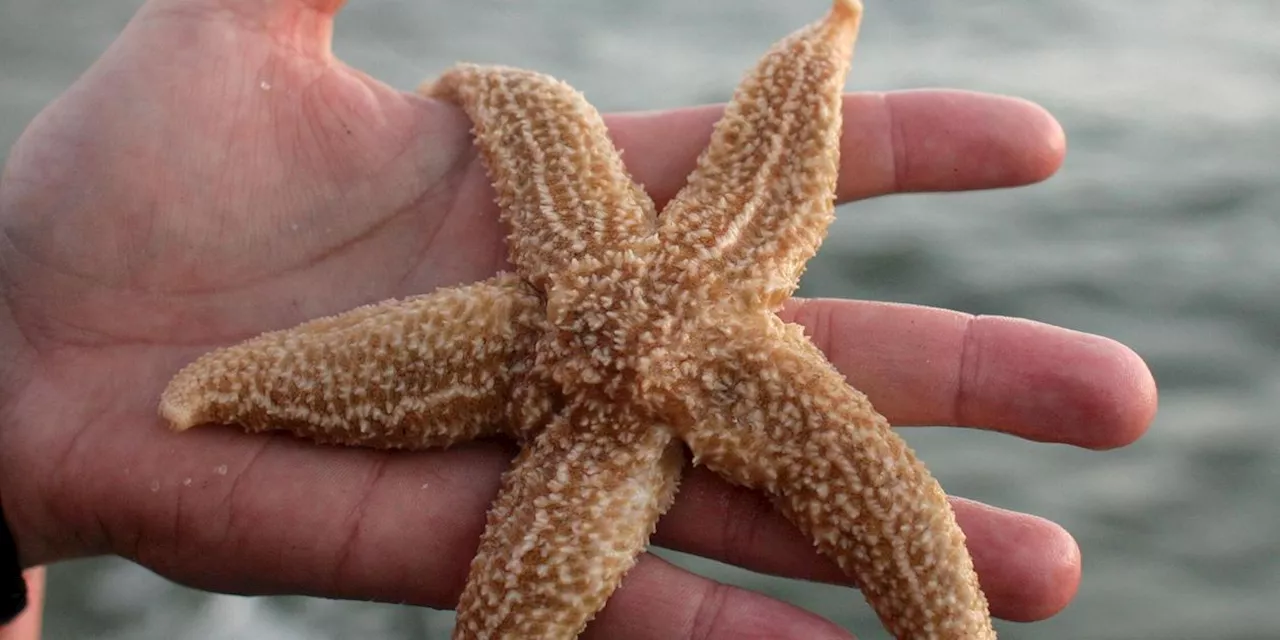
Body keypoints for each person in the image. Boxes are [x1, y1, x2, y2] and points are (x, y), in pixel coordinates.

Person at [0, 0, 1157, 638]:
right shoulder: (674, 238)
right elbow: (540, 110)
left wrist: (25, 364)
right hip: (591, 395)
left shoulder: (689, 244)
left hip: (608, 412)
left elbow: (593, 112)